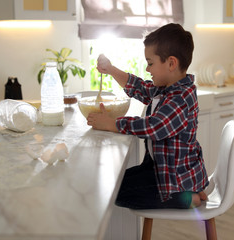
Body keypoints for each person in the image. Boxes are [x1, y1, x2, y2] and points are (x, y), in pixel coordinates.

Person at [87, 23, 209, 209]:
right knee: (113, 184)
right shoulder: (168, 89)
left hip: (171, 177)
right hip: (161, 169)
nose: (147, 69)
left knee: (113, 193)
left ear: (171, 63)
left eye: (150, 63)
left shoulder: (180, 98)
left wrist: (112, 124)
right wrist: (111, 69)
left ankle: (185, 198)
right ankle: (192, 187)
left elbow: (154, 126)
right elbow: (141, 88)